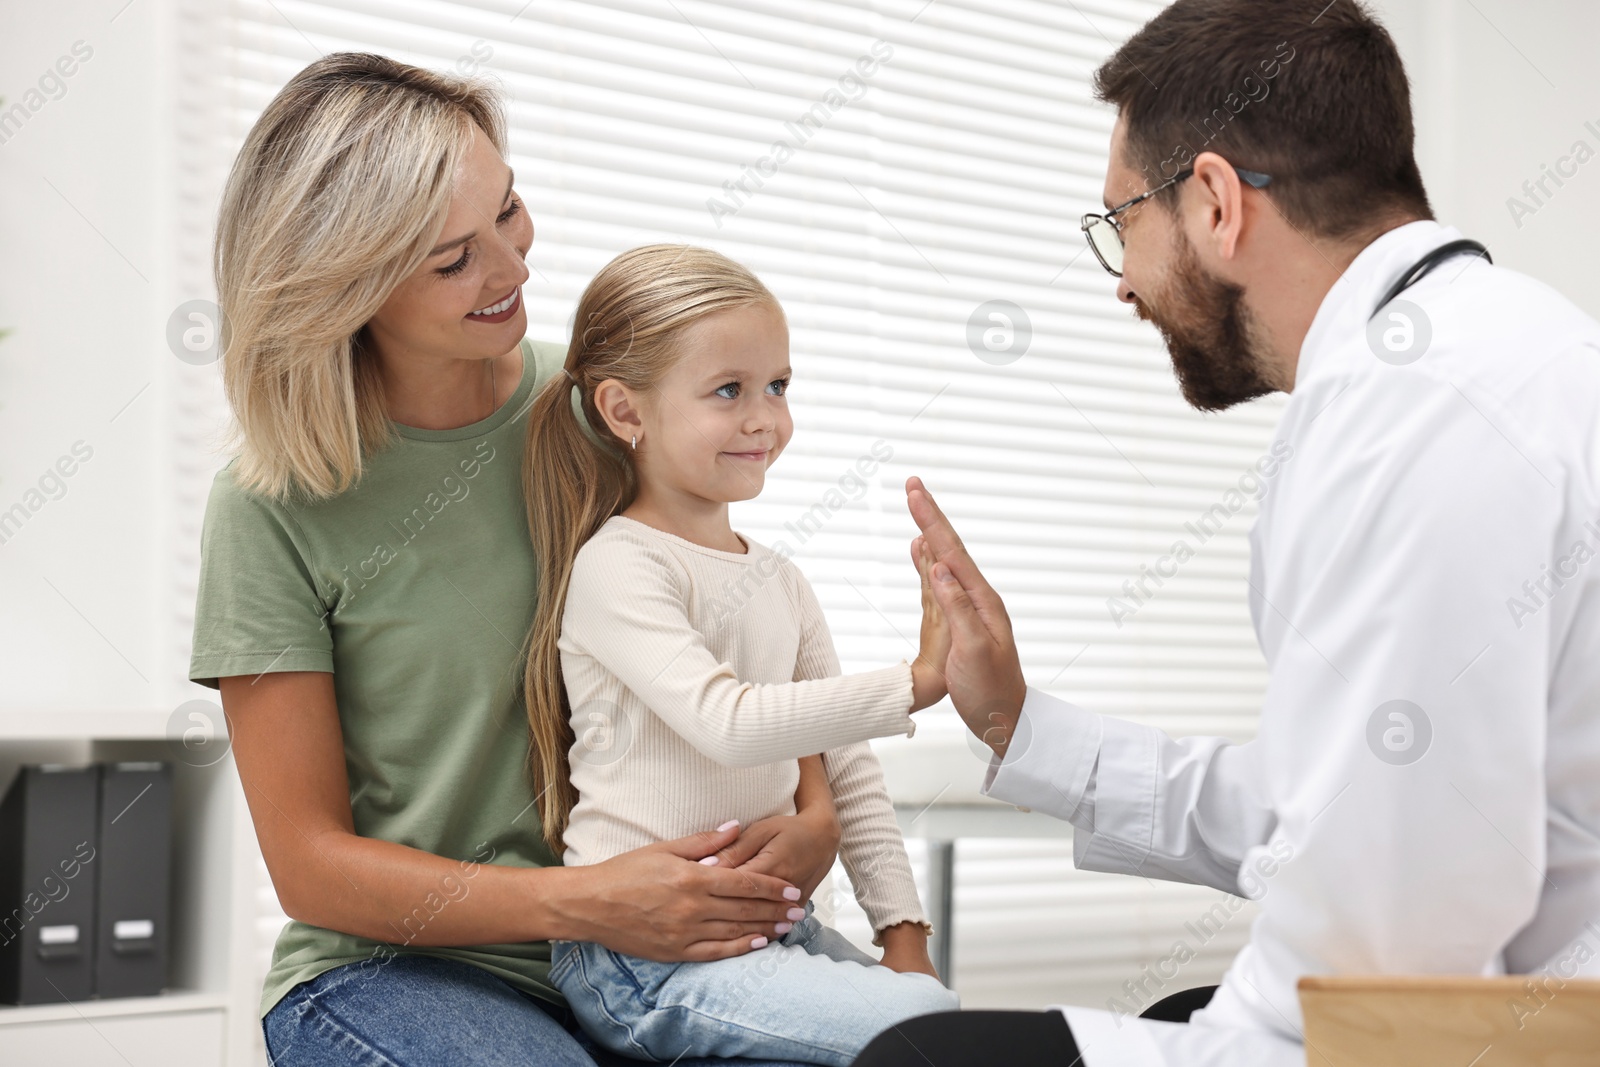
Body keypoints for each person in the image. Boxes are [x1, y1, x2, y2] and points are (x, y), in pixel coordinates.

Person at [858, 1, 1600, 1065]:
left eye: (1122, 221)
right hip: (1489, 992)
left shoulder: (1420, 409)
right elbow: (1328, 803)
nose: (1121, 278)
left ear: (1212, 201)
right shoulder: (1471, 352)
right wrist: (1016, 722)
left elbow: (1379, 949)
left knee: (913, 1059)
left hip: (1490, 1032)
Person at [191, 53, 850, 1067]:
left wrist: (813, 820)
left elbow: (742, 626)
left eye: (509, 210)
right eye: (450, 259)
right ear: (344, 281)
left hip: (644, 954)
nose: (510, 268)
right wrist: (587, 901)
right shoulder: (271, 504)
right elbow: (310, 864)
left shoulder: (601, 411)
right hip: (399, 970)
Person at [521, 243, 961, 1065]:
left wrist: (903, 935)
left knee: (942, 1018)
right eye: (729, 391)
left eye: (778, 387)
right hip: (643, 962)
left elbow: (849, 768)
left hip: (774, 936)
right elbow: (724, 721)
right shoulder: (619, 564)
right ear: (626, 411)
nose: (766, 417)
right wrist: (917, 682)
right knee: (933, 1038)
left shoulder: (780, 581)